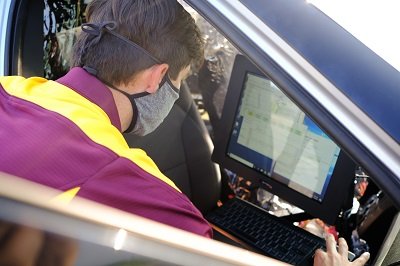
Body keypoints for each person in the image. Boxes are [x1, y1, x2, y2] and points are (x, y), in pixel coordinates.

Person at [0, 0, 369, 265]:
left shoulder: (7, 89)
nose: (175, 96)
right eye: (178, 83)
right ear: (156, 77)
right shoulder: (154, 199)